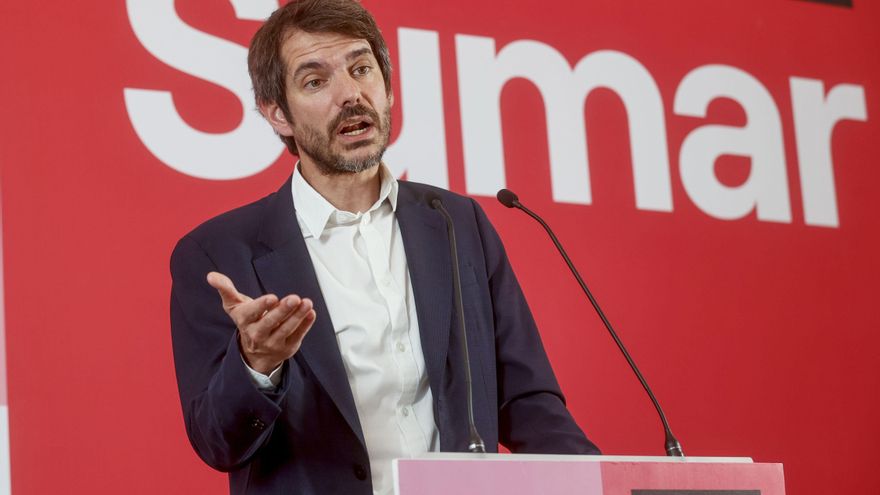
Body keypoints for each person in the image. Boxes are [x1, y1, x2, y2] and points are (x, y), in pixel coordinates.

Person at [169, 1, 599, 494]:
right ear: (277, 114)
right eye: (316, 81)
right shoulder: (218, 254)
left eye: (361, 69)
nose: (351, 95)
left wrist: (600, 480)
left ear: (388, 86)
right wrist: (256, 364)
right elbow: (216, 442)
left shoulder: (458, 224)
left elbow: (526, 401)